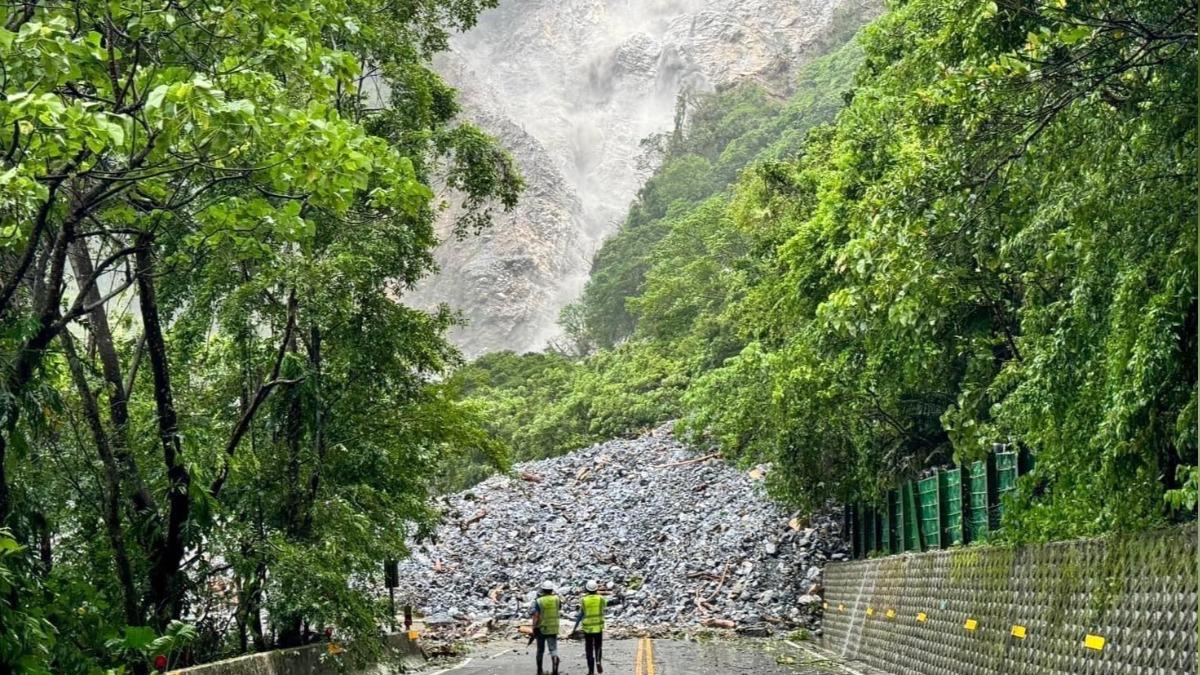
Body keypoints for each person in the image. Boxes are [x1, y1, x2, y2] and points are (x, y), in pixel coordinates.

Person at [572, 580, 607, 675]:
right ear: (596, 589)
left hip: (587, 629)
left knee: (589, 649)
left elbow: (581, 614)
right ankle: (598, 661)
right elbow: (604, 608)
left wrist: (574, 628)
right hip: (598, 627)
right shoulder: (600, 598)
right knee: (598, 646)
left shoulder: (584, 600)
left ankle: (591, 671)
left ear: (586, 589)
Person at [530, 580, 561, 675]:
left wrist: (534, 627)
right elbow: (559, 608)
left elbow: (536, 615)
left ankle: (539, 670)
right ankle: (555, 671)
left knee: (540, 650)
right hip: (553, 628)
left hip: (541, 628)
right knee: (553, 650)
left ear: (543, 590)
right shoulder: (557, 599)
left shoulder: (539, 601)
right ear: (552, 590)